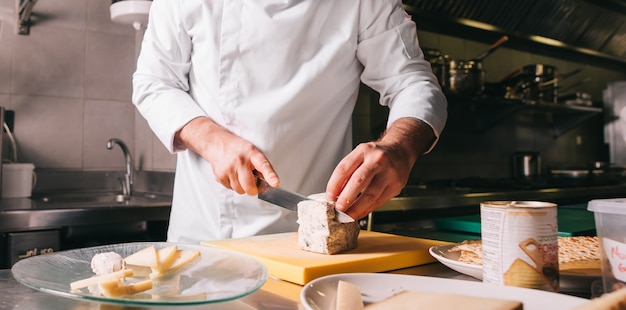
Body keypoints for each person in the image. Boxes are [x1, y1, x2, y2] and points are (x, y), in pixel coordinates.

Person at [132, 0, 447, 244]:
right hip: (207, 234)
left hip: (312, 238)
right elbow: (154, 83)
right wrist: (213, 141)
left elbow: (413, 82)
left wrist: (399, 148)